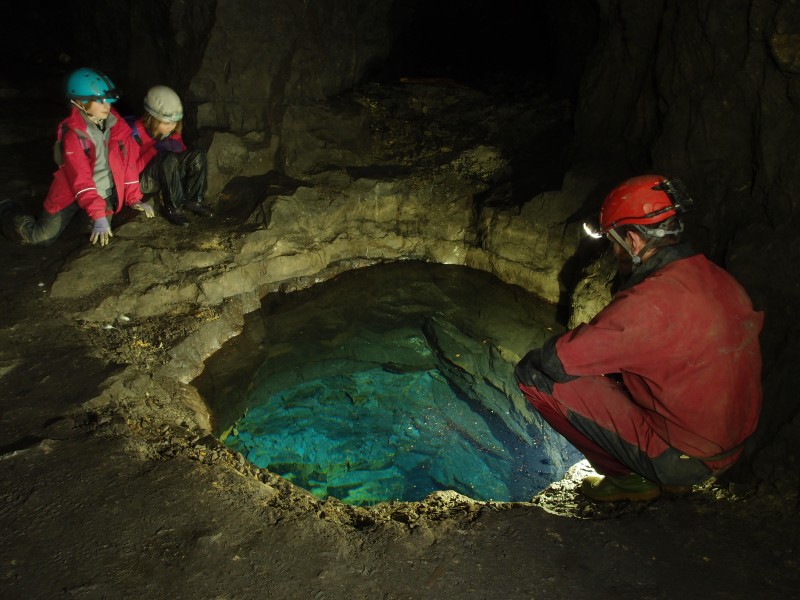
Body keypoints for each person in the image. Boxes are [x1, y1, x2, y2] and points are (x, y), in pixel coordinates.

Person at [514, 174, 764, 502]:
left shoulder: (651, 301)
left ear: (633, 240)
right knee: (616, 371)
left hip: (684, 458)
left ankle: (629, 480)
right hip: (728, 446)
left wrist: (592, 338)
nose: (614, 251)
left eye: (614, 242)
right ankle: (673, 472)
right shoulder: (720, 279)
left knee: (533, 372)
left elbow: (556, 361)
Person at [12, 67, 153, 246]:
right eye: (100, 101)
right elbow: (81, 180)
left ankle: (68, 230)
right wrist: (98, 213)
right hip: (71, 192)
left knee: (94, 227)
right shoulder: (74, 135)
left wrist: (134, 199)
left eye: (107, 101)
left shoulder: (119, 128)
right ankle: (7, 209)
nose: (106, 106)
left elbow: (129, 165)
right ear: (80, 102)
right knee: (40, 238)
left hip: (102, 195)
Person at [128, 85, 212, 226]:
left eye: (175, 122)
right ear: (151, 117)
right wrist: (155, 150)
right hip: (143, 179)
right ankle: (173, 209)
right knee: (168, 158)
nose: (171, 126)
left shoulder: (170, 130)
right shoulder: (134, 134)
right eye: (167, 122)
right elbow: (131, 170)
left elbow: (180, 152)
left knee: (197, 154)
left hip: (166, 169)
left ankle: (194, 200)